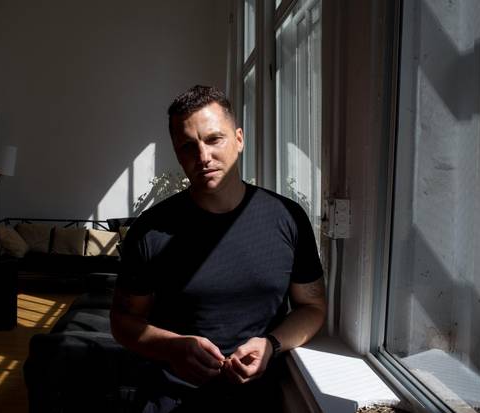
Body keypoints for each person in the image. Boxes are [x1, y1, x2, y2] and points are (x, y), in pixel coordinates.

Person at [110, 85, 327, 413]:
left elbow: (312, 306)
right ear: (177, 153)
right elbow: (123, 321)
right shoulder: (150, 230)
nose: (203, 157)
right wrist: (173, 346)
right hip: (171, 398)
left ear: (239, 139)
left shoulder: (287, 218)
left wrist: (271, 344)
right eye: (188, 146)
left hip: (260, 400)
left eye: (214, 139)